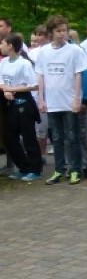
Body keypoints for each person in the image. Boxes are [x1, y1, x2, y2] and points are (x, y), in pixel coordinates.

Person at [36, 15, 87, 185]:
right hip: (52, 102)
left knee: (72, 136)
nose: (62, 34)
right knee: (57, 137)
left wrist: (77, 98)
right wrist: (41, 99)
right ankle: (59, 169)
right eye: (58, 31)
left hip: (69, 100)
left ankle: (75, 169)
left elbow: (78, 74)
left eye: (64, 30)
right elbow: (41, 75)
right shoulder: (44, 52)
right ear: (51, 33)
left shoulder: (75, 51)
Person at [0, 34, 42, 180]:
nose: (1, 47)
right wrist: (6, 90)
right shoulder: (4, 62)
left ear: (10, 45)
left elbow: (33, 85)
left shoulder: (24, 64)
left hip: (23, 102)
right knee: (9, 137)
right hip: (8, 101)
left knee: (28, 136)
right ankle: (23, 167)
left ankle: (35, 168)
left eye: (3, 43)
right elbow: (1, 81)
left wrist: (13, 90)